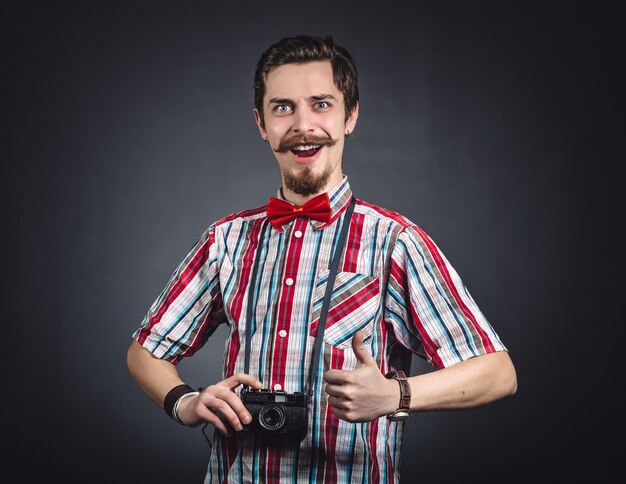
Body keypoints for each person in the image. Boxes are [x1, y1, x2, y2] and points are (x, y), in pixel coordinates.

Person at [127, 35, 517, 483]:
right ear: (261, 123)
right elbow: (145, 350)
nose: (302, 124)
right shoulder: (226, 239)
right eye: (283, 107)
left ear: (350, 115)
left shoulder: (394, 241)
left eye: (321, 104)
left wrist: (396, 395)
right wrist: (186, 403)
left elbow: (497, 371)